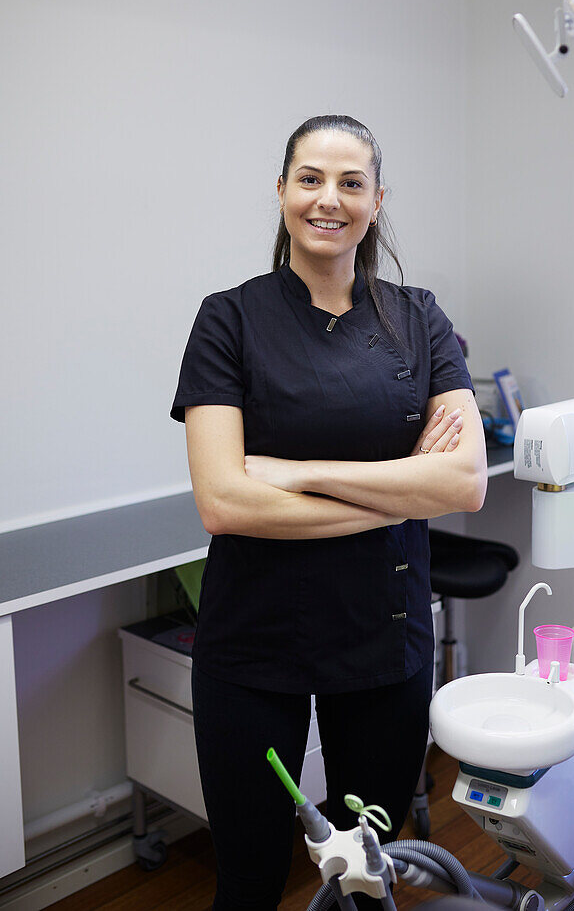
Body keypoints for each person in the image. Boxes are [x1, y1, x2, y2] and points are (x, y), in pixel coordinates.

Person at [170, 114, 488, 910]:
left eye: (351, 183)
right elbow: (221, 500)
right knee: (247, 874)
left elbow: (463, 485)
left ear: (377, 200)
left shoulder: (419, 320)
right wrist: (395, 485)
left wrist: (295, 473)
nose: (328, 199)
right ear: (281, 191)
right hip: (253, 643)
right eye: (310, 178)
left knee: (364, 869)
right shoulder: (228, 319)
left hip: (382, 639)